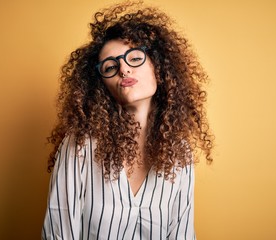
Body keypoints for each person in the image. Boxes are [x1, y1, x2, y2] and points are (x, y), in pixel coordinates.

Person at [42, 1, 213, 239]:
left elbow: (182, 234)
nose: (124, 69)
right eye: (110, 67)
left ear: (159, 67)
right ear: (101, 86)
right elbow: (58, 234)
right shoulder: (80, 146)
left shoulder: (179, 152)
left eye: (134, 58)